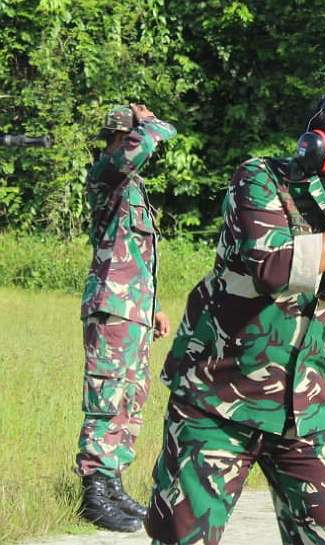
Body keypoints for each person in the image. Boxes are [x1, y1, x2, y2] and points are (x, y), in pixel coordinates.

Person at [144, 90, 325, 545]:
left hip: (304, 409)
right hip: (219, 400)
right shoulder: (261, 179)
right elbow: (274, 268)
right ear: (319, 147)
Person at [77, 103, 175, 532]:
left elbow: (133, 257)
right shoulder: (106, 173)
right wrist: (152, 125)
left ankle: (113, 484)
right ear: (121, 138)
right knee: (107, 399)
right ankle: (94, 492)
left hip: (132, 309)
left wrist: (152, 309)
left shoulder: (132, 187)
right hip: (111, 307)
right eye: (132, 136)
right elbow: (139, 149)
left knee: (131, 399)